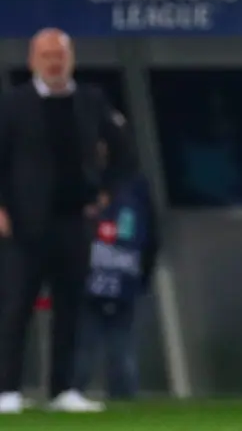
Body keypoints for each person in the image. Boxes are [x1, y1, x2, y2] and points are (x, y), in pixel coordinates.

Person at [0, 28, 134, 413]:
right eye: (46, 56)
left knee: (71, 308)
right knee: (15, 308)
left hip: (74, 220)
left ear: (71, 59)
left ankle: (64, 390)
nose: (54, 63)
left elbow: (124, 153)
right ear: (32, 62)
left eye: (60, 56)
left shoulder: (91, 101)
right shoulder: (13, 104)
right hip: (24, 224)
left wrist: (106, 192)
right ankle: (7, 390)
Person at [74, 141, 159, 400]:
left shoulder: (132, 187)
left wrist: (144, 274)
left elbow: (151, 235)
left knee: (117, 346)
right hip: (94, 277)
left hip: (117, 277)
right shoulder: (133, 185)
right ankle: (72, 395)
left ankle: (116, 400)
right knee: (87, 345)